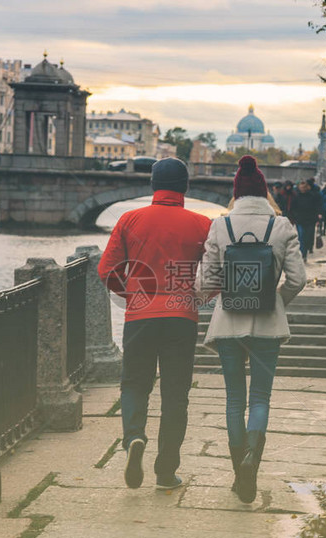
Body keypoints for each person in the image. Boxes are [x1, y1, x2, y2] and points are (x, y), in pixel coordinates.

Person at [98, 157, 212, 491]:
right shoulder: (202, 224)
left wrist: (134, 294)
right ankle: (165, 471)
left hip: (140, 316)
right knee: (176, 395)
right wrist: (197, 298)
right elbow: (214, 275)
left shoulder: (129, 219)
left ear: (152, 185)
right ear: (185, 187)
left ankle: (134, 437)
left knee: (134, 384)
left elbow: (107, 271)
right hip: (181, 318)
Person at [198, 155, 306, 503]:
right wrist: (276, 303)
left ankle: (237, 474)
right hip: (266, 327)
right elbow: (298, 279)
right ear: (264, 192)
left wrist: (222, 293)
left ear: (236, 193)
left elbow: (206, 281)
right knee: (260, 398)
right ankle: (251, 464)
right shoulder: (282, 226)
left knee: (234, 399)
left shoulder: (219, 226)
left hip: (228, 322)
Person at [289, 179, 321, 261]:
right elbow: (292, 208)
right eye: (301, 187)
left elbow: (316, 207)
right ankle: (302, 254)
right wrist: (295, 217)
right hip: (300, 220)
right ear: (299, 188)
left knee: (308, 236)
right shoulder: (296, 197)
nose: (302, 189)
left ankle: (306, 250)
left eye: (304, 187)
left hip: (310, 220)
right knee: (301, 237)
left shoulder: (312, 196)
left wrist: (317, 217)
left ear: (307, 188)